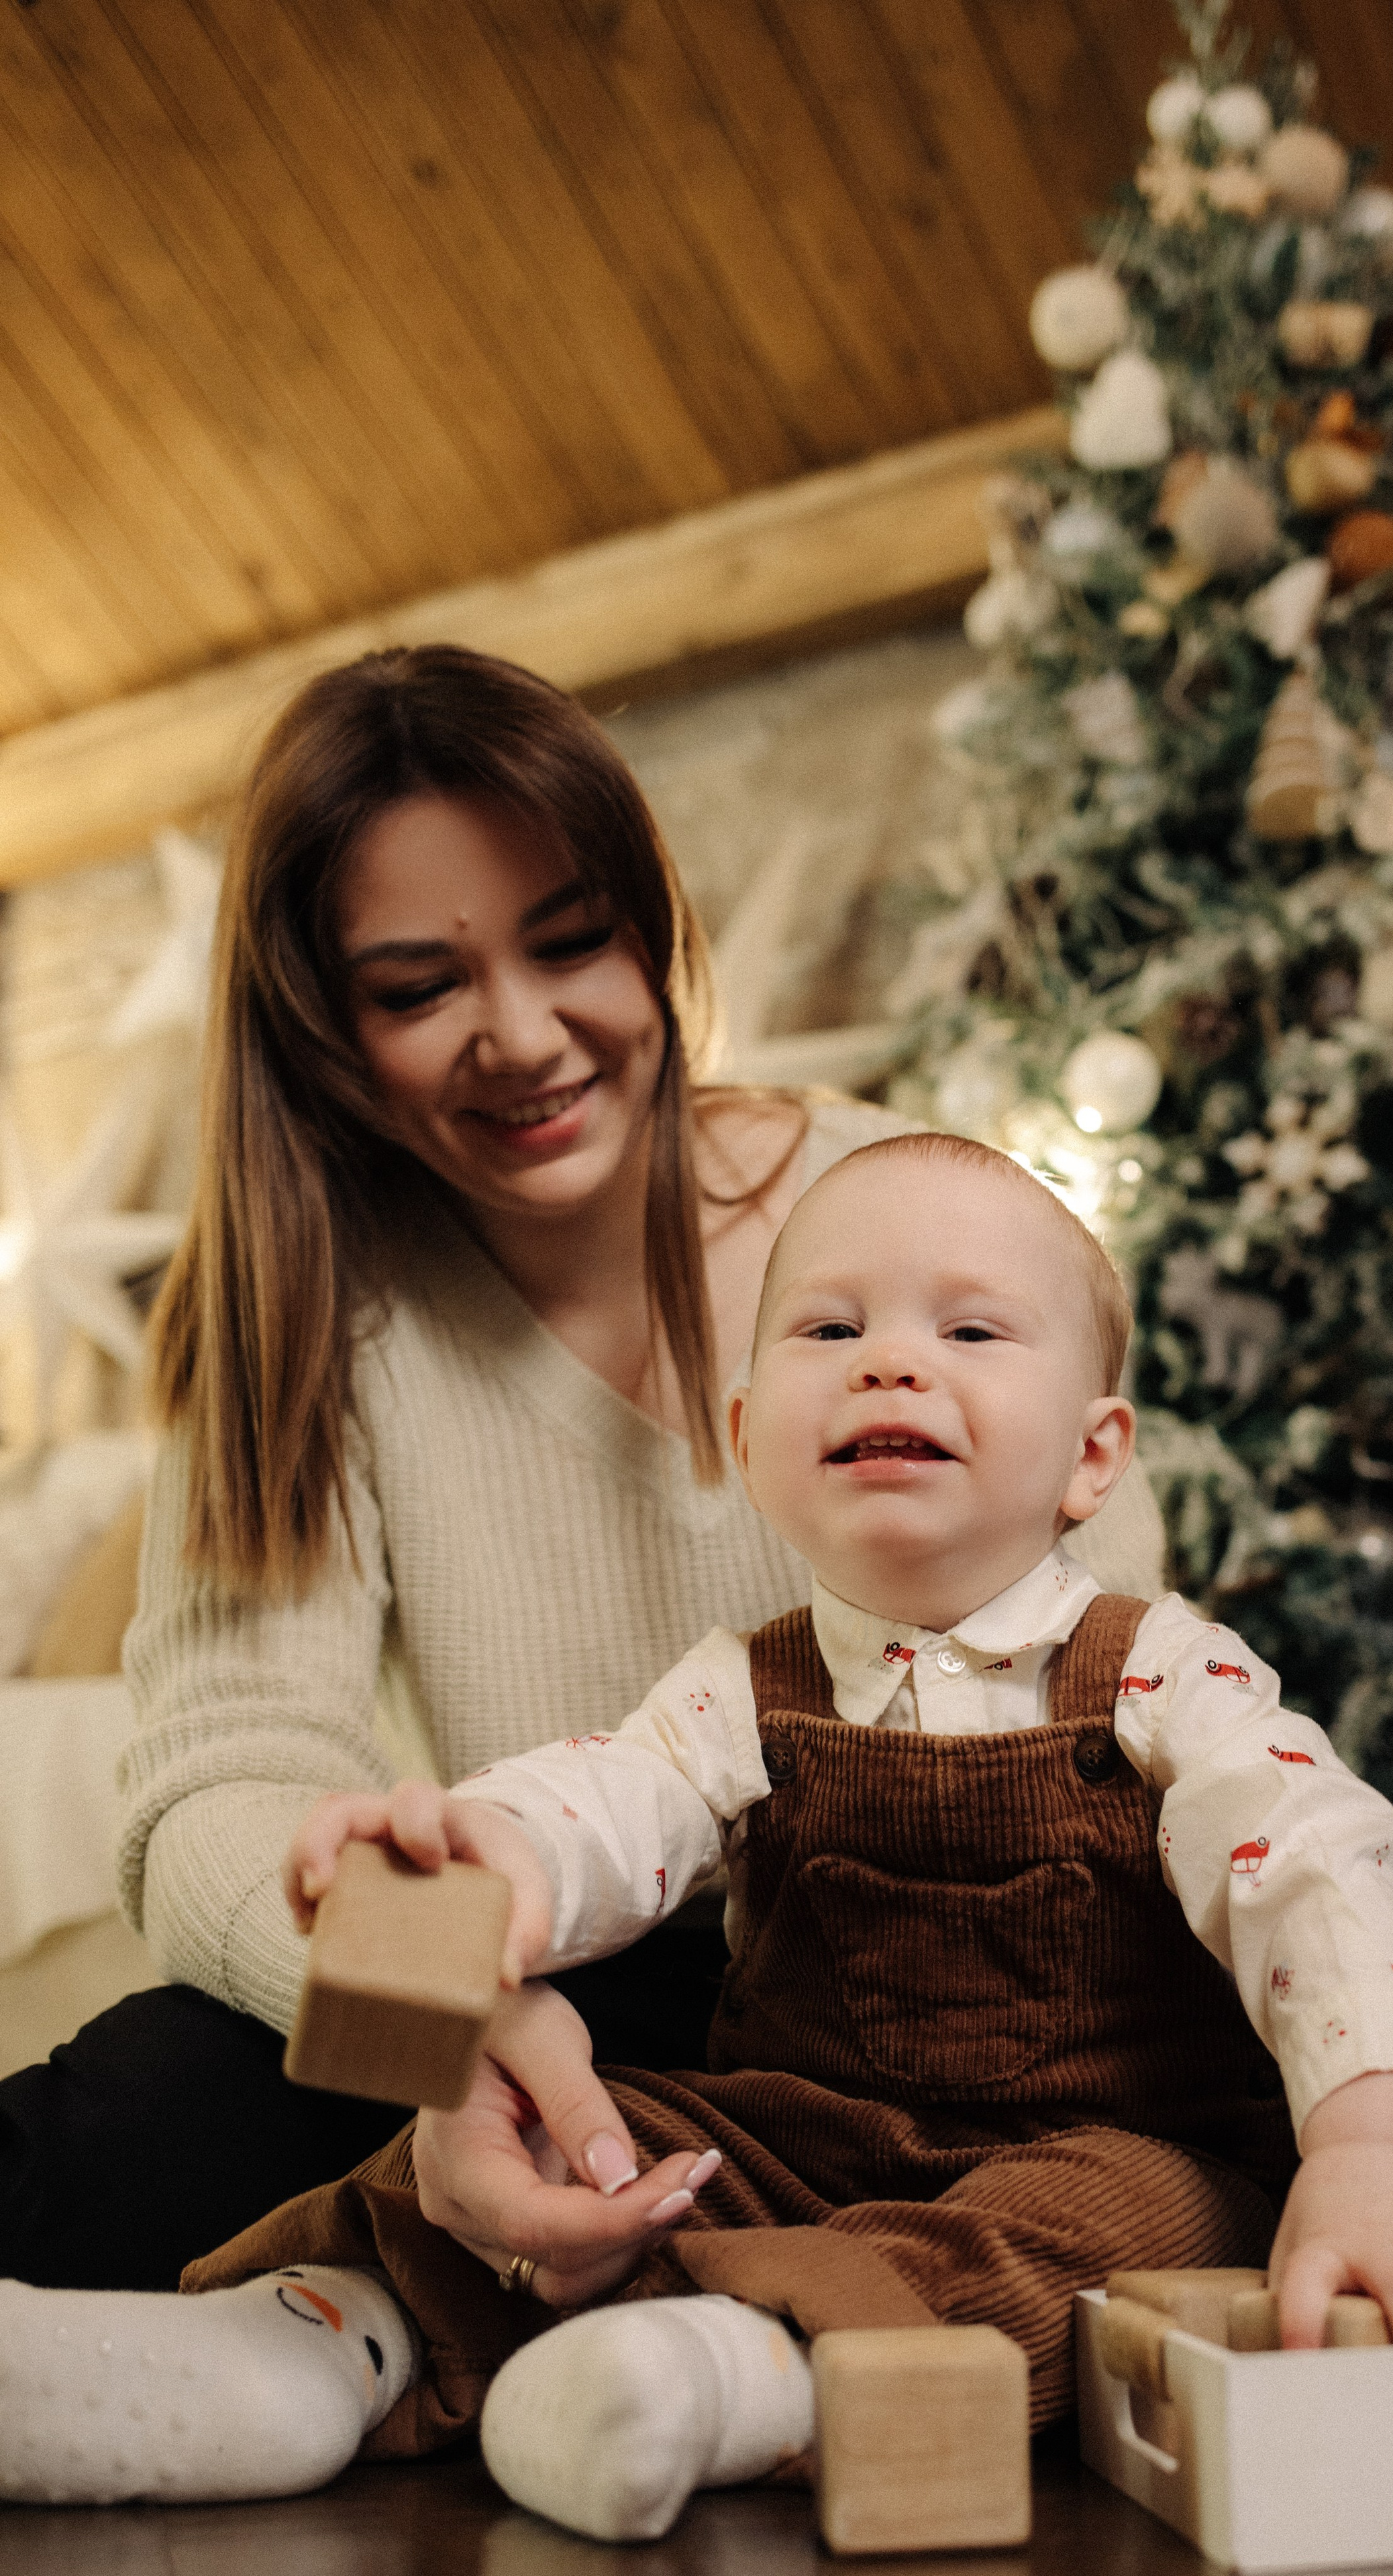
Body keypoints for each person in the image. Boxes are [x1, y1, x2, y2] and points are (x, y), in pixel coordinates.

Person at [0, 1135, 1393, 2521]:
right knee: (578, 2133)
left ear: (1093, 1453)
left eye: (966, 1329)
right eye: (831, 1328)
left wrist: (1368, 2152)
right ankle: (311, 2340)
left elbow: (1316, 1878)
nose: (889, 1362)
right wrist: (478, 1866)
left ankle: (736, 2377)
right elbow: (605, 1806)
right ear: (750, 1437)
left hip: (1098, 2144)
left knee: (1118, 2235)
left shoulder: (1168, 1673)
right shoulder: (739, 1690)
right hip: (795, 2134)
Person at [0, 646, 1168, 2296]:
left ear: (647, 925)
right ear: (324, 1024)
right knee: (123, 2123)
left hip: (949, 1968)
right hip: (555, 1974)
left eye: (571, 945)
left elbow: (1109, 1640)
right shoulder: (293, 1311)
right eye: (418, 989)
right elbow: (221, 1782)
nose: (524, 1038)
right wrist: (447, 2012)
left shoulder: (881, 1197)